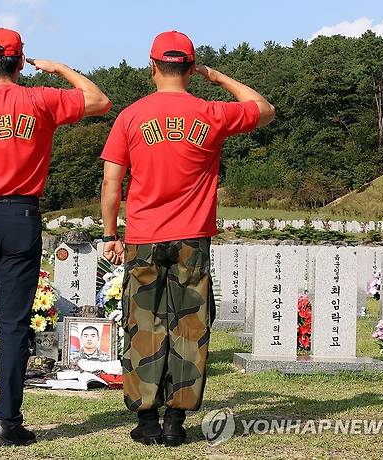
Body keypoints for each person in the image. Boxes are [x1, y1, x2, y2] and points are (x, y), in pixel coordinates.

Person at [0, 28, 111, 448]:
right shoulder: (42, 99)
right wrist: (60, 68)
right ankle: (9, 422)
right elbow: (100, 100)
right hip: (22, 215)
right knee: (13, 325)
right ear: (19, 61)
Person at [100, 30, 275, 446]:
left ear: (152, 65)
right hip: (192, 238)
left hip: (143, 235)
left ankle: (145, 419)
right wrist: (218, 78)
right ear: (190, 67)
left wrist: (110, 233)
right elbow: (263, 109)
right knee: (190, 327)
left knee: (144, 323)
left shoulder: (132, 116)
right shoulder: (212, 112)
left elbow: (111, 182)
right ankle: (177, 419)